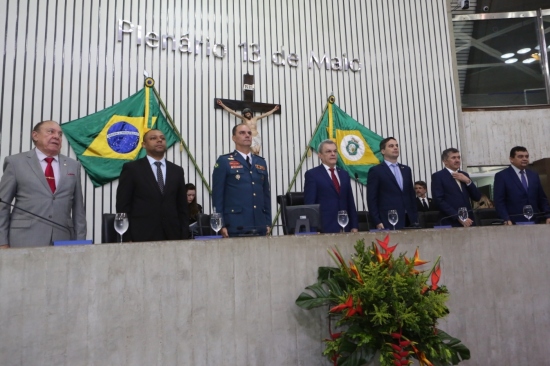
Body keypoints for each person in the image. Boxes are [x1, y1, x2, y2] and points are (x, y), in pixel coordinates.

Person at [0, 120, 86, 248]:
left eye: (60, 134)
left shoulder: (73, 166)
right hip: (24, 239)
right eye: (51, 132)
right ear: (35, 135)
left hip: (63, 239)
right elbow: (2, 205)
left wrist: (80, 243)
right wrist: (2, 242)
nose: (57, 136)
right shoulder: (15, 163)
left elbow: (79, 210)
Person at [116, 129, 189, 241]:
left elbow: (182, 207)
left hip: (173, 236)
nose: (159, 140)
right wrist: (127, 238)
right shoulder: (132, 169)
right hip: (141, 236)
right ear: (144, 145)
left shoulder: (177, 171)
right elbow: (123, 206)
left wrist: (184, 235)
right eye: (153, 138)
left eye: (162, 138)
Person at [212, 123, 271, 237]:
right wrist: (220, 224)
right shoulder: (224, 161)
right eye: (242, 133)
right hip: (235, 224)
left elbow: (265, 194)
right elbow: (217, 195)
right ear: (233, 138)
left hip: (259, 223)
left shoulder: (260, 162)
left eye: (249, 133)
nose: (247, 135)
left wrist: (267, 221)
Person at [304, 139, 359, 233]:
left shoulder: (344, 174)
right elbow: (310, 205)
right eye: (328, 151)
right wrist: (312, 230)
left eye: (335, 151)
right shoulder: (312, 174)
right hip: (324, 228)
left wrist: (354, 226)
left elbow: (350, 202)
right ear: (320, 155)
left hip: (345, 227)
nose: (333, 154)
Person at [367, 137, 418, 229]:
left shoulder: (406, 170)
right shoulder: (376, 171)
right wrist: (377, 221)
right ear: (383, 151)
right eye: (391, 146)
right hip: (388, 219)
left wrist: (415, 217)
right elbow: (372, 199)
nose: (395, 148)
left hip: (409, 219)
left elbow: (411, 194)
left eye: (396, 145)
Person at [493, 146, 550, 225]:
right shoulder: (502, 176)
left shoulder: (533, 175)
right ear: (511, 159)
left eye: (526, 156)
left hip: (535, 221)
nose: (525, 159)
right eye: (520, 156)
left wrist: (548, 215)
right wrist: (505, 218)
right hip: (513, 222)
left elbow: (542, 198)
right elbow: (499, 201)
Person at [431, 148, 481, 227]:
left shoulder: (464, 175)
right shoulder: (438, 176)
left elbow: (477, 197)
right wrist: (459, 217)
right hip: (450, 221)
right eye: (453, 158)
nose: (457, 160)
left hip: (469, 221)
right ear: (445, 161)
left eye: (458, 157)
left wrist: (468, 181)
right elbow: (439, 201)